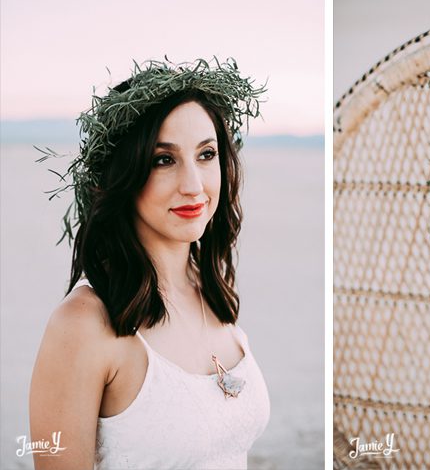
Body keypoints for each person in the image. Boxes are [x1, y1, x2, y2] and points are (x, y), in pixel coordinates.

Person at [29, 57, 270, 469]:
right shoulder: (83, 325)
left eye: (206, 154)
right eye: (164, 160)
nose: (193, 185)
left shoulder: (210, 289)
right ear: (124, 173)